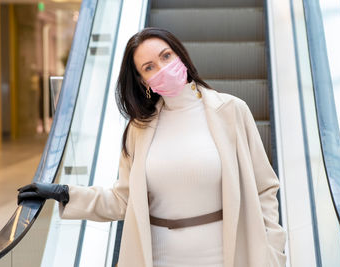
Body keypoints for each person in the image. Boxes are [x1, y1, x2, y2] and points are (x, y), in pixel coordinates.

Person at [18, 27, 287, 267]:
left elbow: (265, 187)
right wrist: (66, 193)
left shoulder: (231, 111)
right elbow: (123, 199)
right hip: (158, 257)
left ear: (180, 56)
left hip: (224, 255)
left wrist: (273, 250)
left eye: (166, 56)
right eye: (149, 67)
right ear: (143, 82)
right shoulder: (140, 129)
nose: (162, 68)